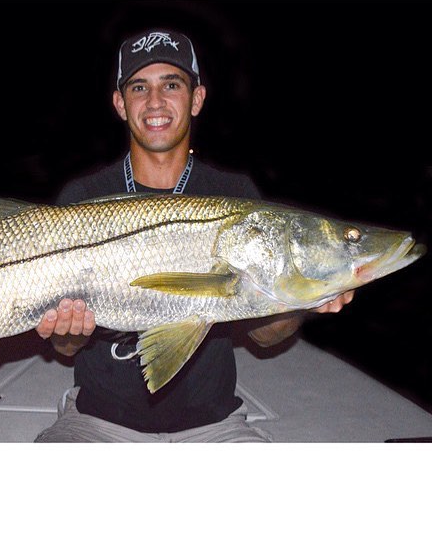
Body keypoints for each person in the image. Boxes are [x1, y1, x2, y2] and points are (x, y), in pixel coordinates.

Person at [34, 29, 354, 442]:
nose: (155, 102)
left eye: (172, 84)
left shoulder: (237, 196)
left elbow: (263, 333)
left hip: (213, 426)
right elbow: (64, 349)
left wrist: (305, 298)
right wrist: (65, 333)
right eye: (138, 87)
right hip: (98, 422)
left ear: (196, 98)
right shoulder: (84, 198)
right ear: (120, 103)